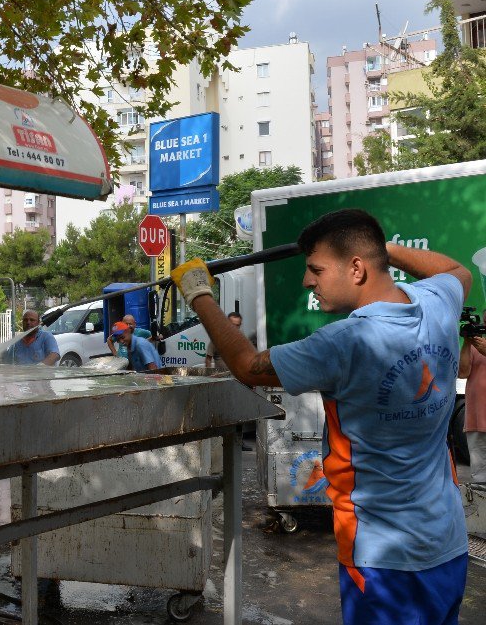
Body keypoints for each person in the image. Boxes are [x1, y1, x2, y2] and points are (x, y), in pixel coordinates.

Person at [171, 208, 471, 625]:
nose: (307, 281)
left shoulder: (344, 342)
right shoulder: (437, 304)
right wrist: (383, 249)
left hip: (381, 557)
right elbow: (458, 270)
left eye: (315, 269)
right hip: (448, 544)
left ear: (356, 268)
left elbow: (245, 365)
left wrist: (199, 293)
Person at [460, 334, 486, 484]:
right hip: (477, 419)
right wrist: (466, 344)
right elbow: (462, 373)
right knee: (480, 477)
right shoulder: (476, 346)